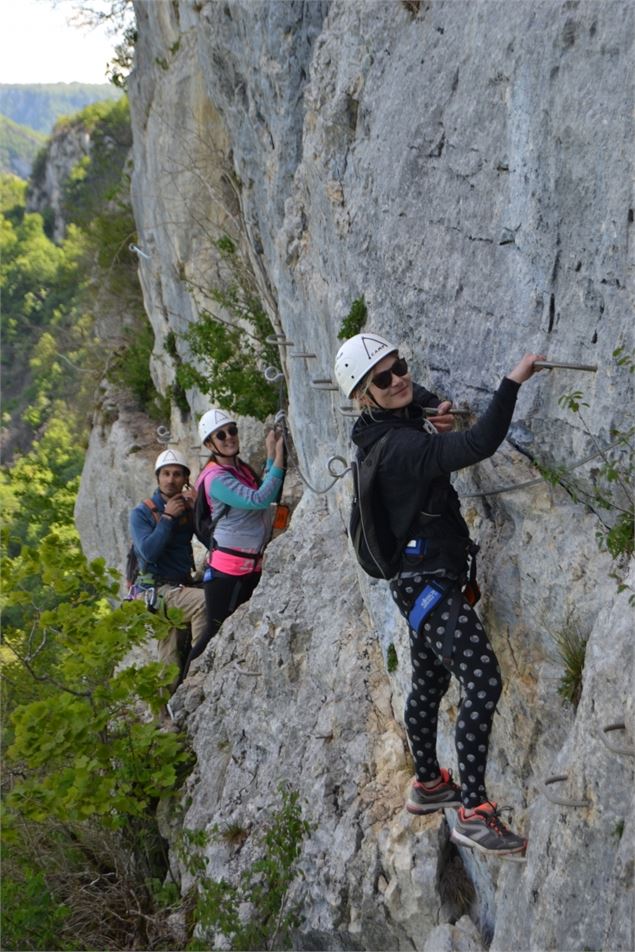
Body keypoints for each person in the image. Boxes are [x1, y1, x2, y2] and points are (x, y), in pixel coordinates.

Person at [334, 332, 545, 858]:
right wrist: (511, 383)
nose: (399, 377)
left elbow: (417, 395)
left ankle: (428, 783)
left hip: (419, 582)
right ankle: (473, 811)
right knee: (482, 679)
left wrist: (433, 405)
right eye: (383, 378)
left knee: (428, 681)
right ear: (365, 395)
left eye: (398, 365)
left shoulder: (376, 426)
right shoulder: (403, 447)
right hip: (428, 582)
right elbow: (475, 447)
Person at [180, 408, 285, 679]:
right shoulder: (216, 479)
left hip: (245, 567)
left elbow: (258, 489)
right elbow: (258, 499)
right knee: (212, 633)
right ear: (209, 444)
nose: (229, 438)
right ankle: (182, 688)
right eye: (221, 434)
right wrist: (279, 460)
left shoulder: (236, 468)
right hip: (228, 574)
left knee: (228, 631)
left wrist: (272, 455)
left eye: (232, 430)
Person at [129, 448, 206, 693]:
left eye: (177, 474)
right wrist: (167, 518)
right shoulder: (142, 513)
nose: (171, 479)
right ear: (158, 477)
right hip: (156, 590)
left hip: (178, 586)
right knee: (204, 603)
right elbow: (148, 552)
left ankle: (164, 713)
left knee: (169, 654)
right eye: (165, 474)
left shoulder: (186, 508)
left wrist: (199, 510)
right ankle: (200, 671)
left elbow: (207, 538)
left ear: (185, 479)